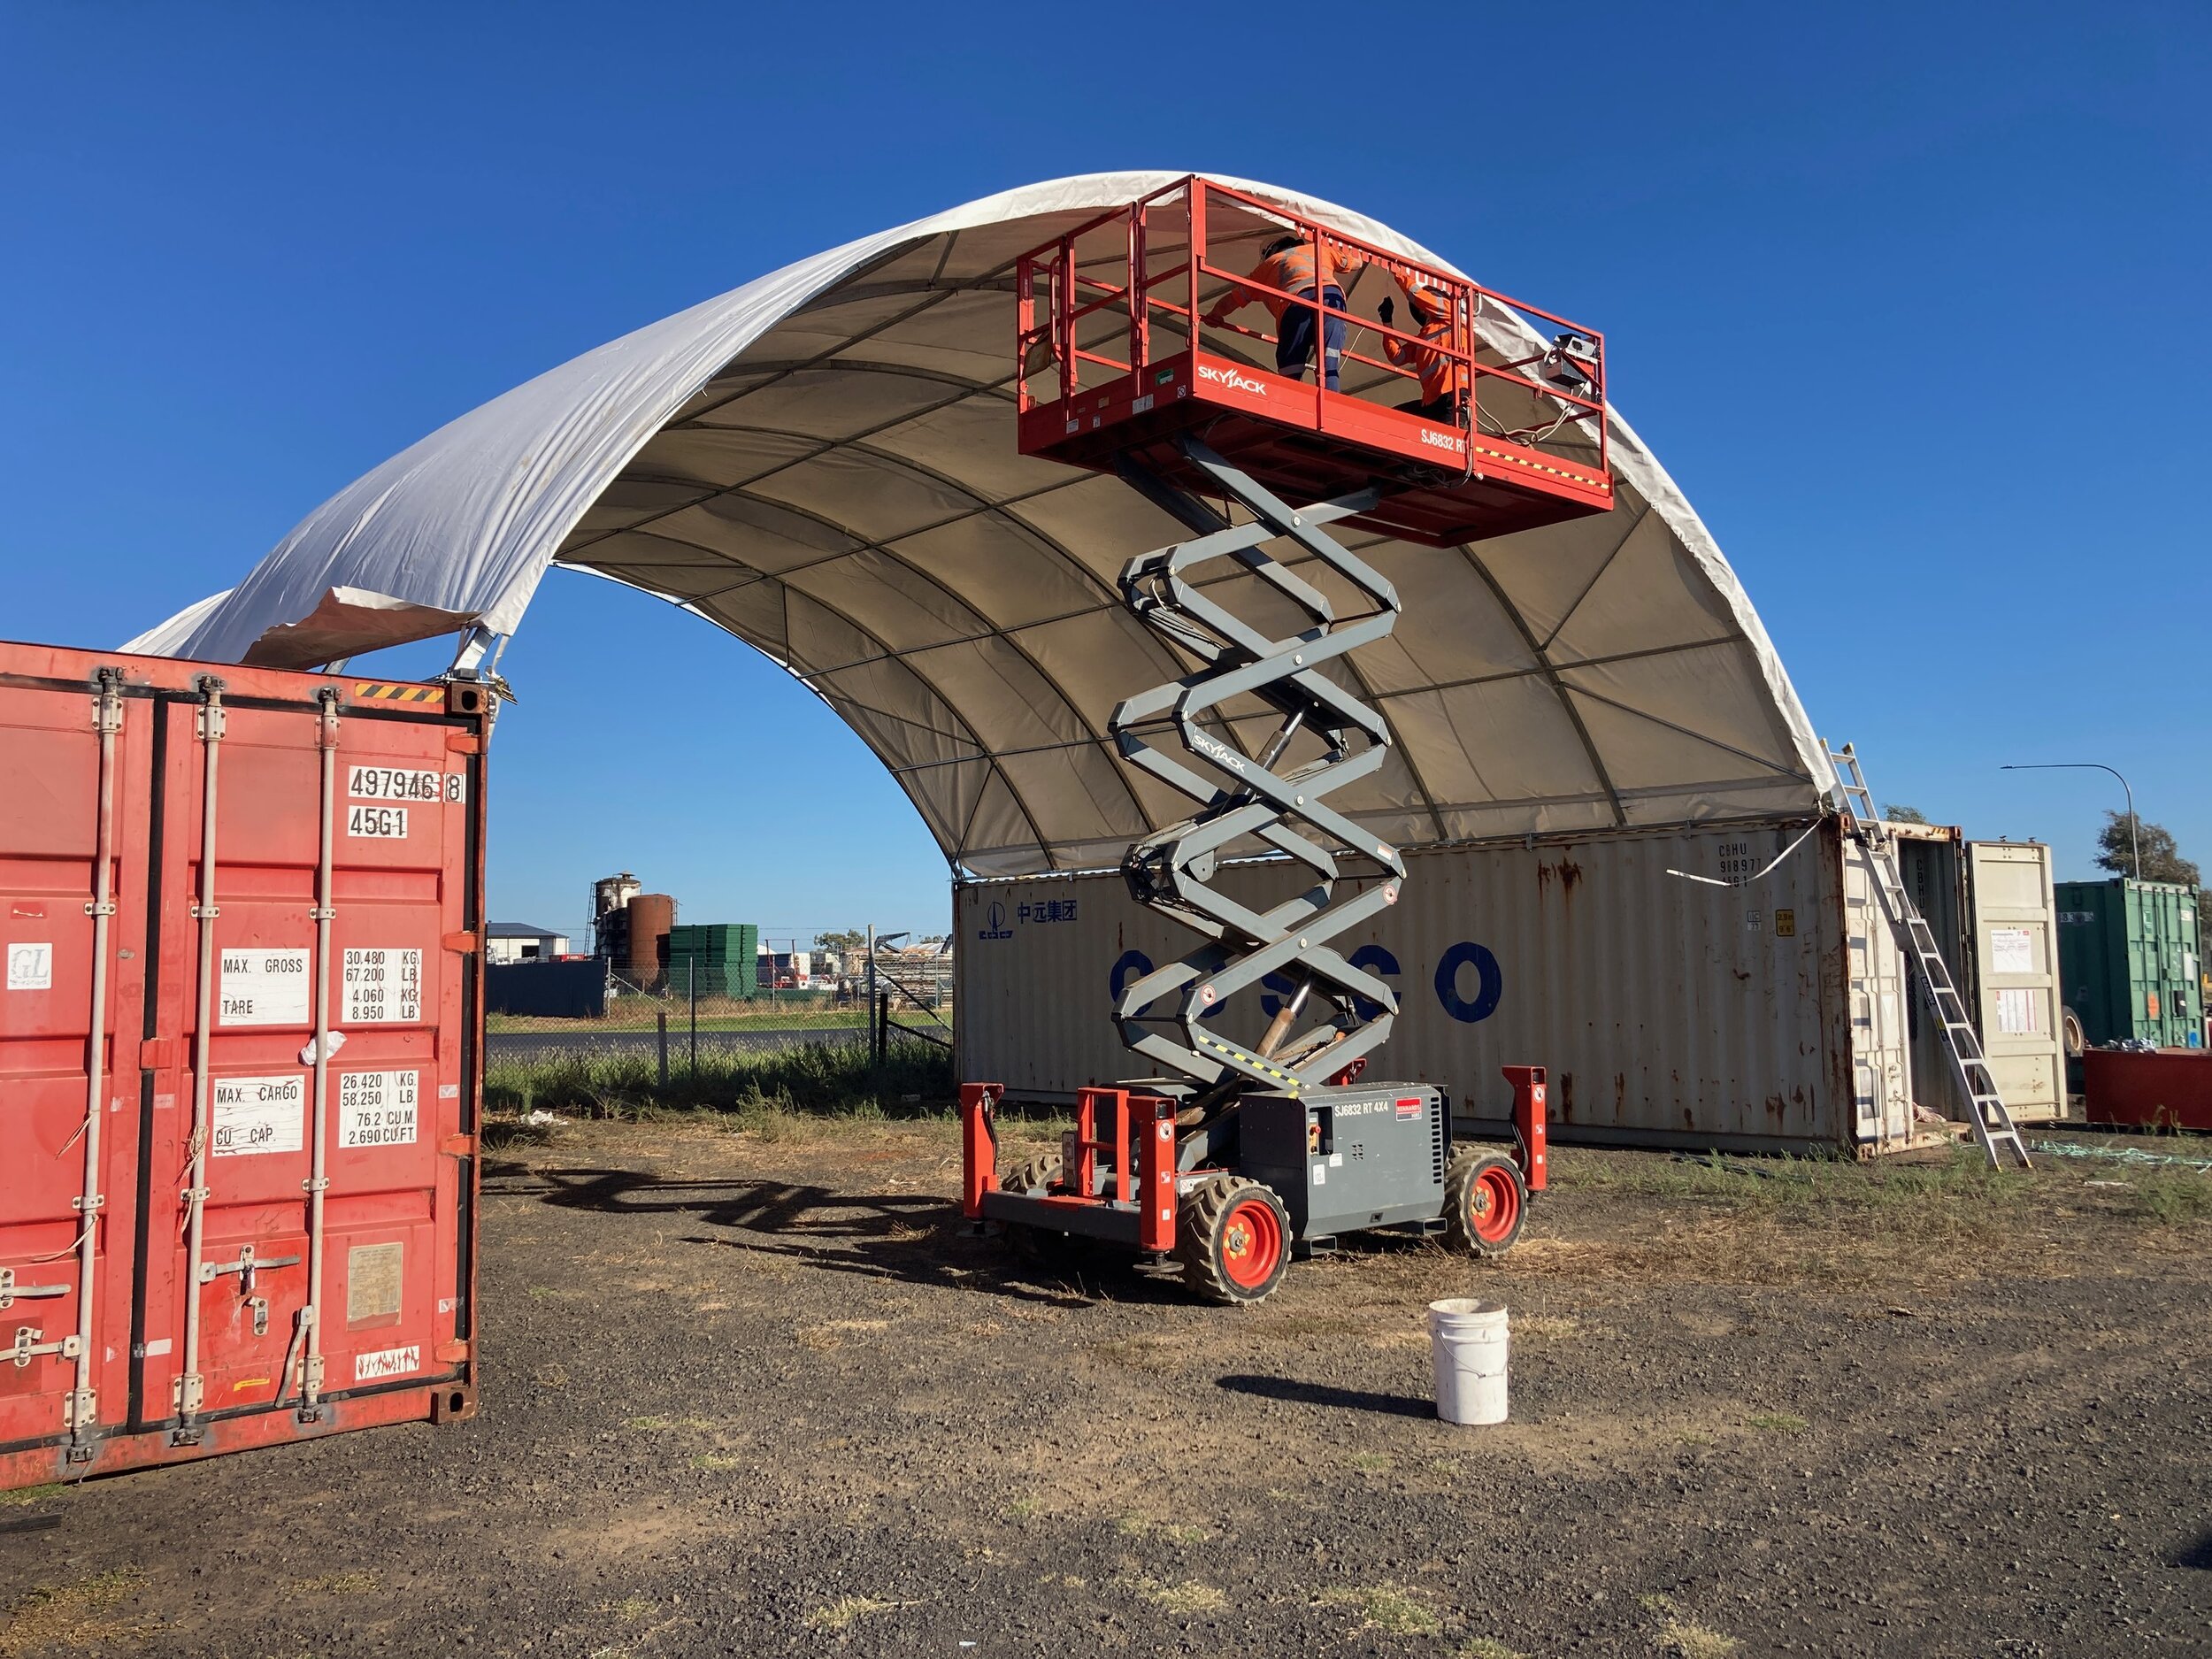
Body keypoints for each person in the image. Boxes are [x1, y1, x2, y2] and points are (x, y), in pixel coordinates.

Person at [1202, 231, 1366, 390]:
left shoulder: (1267, 265)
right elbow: (1358, 261)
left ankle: (1292, 404)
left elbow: (1231, 301)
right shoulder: (1319, 249)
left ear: (1270, 253)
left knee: (1290, 367)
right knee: (1329, 360)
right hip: (1332, 298)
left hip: (1295, 304)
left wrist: (1215, 314)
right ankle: (1331, 405)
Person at [1378, 281, 1468, 424]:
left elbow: (1416, 294)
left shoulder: (1452, 314)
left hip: (1452, 395)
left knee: (1447, 440)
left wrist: (1398, 271)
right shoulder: (1424, 336)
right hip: (1432, 401)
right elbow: (1397, 357)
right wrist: (1387, 322)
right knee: (1392, 418)